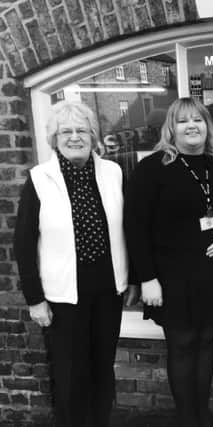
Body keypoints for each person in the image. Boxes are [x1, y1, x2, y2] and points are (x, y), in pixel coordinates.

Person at [14, 100, 138, 427]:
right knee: (71, 374)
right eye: (65, 131)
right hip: (63, 296)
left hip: (107, 290)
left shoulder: (113, 173)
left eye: (81, 130)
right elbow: (24, 244)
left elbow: (128, 228)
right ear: (54, 138)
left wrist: (133, 279)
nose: (74, 137)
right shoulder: (39, 179)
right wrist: (35, 300)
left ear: (93, 135)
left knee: (101, 369)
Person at [125, 97, 213, 427]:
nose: (192, 126)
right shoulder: (153, 168)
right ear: (171, 129)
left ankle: (202, 416)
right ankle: (187, 419)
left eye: (199, 120)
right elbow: (135, 226)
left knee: (206, 342)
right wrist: (146, 277)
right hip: (171, 275)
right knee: (181, 344)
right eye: (183, 121)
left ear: (208, 127)